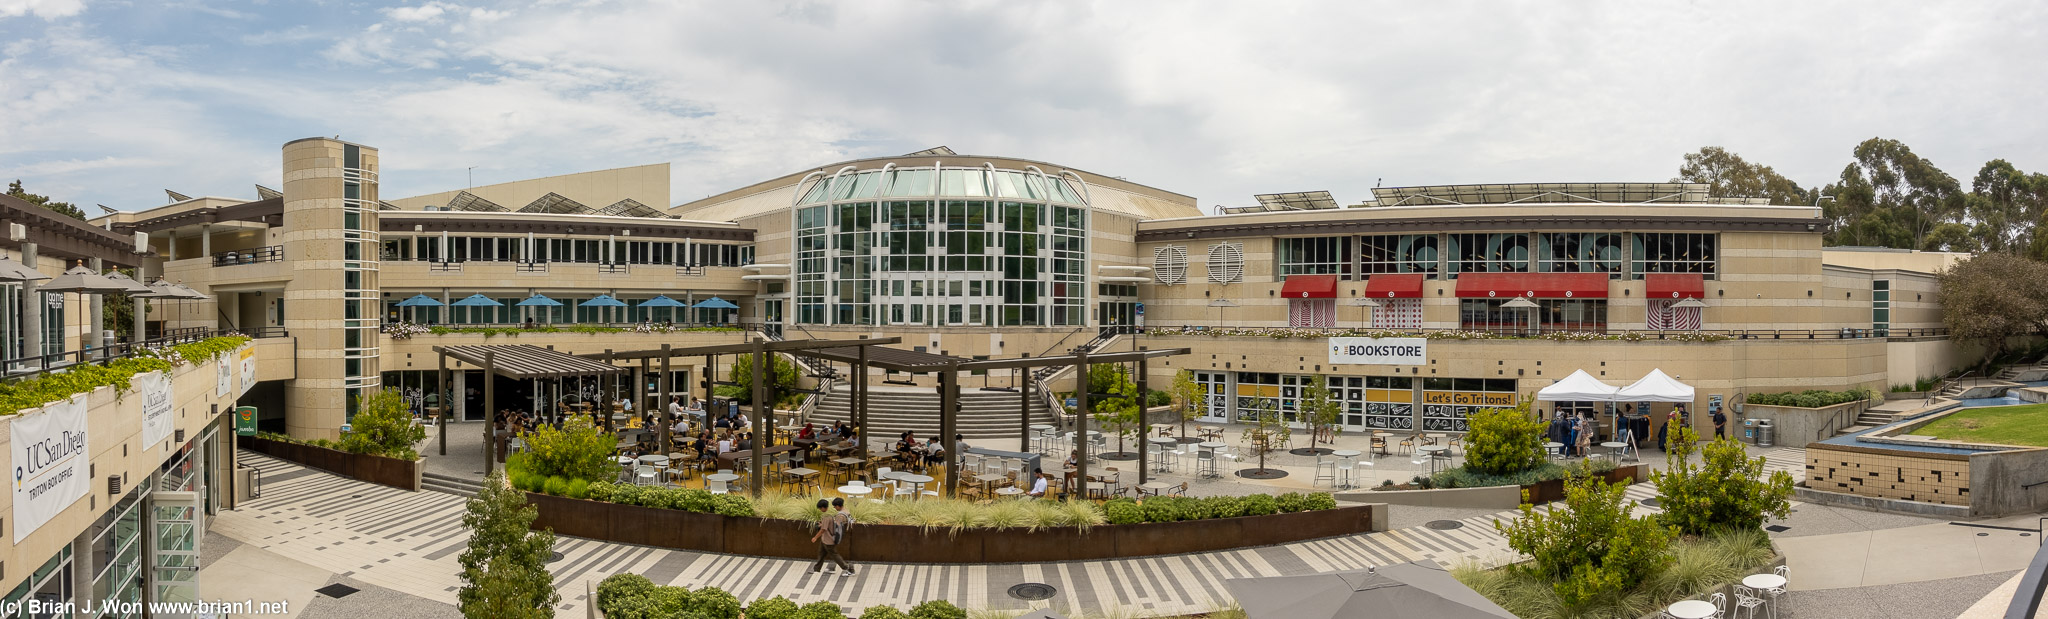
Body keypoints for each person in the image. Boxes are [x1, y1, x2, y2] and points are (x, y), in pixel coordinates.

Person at [808, 499, 854, 577]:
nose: (820, 510)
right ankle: (816, 569)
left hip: (829, 540)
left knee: (834, 555)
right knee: (821, 553)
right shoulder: (831, 515)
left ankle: (849, 568)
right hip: (824, 539)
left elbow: (823, 529)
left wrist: (815, 537)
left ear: (823, 508)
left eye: (820, 508)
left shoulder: (826, 516)